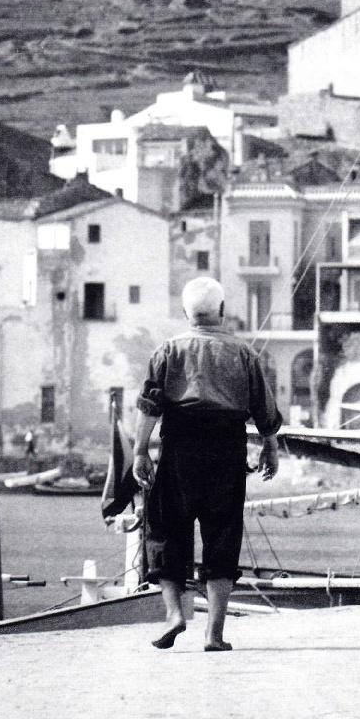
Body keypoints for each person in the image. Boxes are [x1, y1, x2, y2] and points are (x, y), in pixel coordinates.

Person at [132, 276, 281, 652]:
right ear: (222, 311)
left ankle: (174, 614)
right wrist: (270, 446)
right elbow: (263, 407)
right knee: (222, 536)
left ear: (185, 314)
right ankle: (213, 635)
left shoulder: (168, 350)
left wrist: (139, 452)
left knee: (165, 530)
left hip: (179, 448)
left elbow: (150, 406)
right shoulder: (243, 353)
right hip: (227, 450)